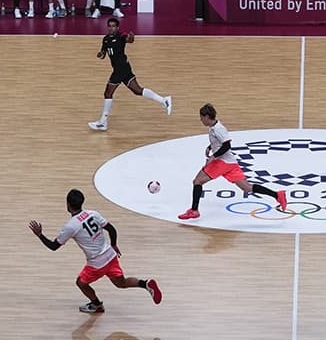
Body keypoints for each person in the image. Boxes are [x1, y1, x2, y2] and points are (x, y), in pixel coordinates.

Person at [29, 188, 162, 314]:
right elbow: (112, 229)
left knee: (81, 283)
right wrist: (114, 245)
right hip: (110, 255)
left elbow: (53, 246)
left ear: (68, 205)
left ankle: (97, 305)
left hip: (96, 263)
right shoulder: (93, 213)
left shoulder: (70, 226)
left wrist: (40, 235)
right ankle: (146, 284)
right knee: (121, 283)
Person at [179, 104, 286, 220]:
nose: (200, 120)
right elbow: (220, 142)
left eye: (201, 117)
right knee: (247, 187)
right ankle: (277, 195)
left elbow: (227, 145)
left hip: (222, 162)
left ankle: (194, 211)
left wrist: (213, 156)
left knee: (197, 181)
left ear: (207, 117)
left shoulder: (218, 129)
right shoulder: (214, 127)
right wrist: (210, 147)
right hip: (230, 163)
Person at [88, 17, 172, 131]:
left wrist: (131, 37)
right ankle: (164, 100)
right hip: (124, 68)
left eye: (113, 26)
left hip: (120, 69)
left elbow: (129, 39)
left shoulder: (121, 36)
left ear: (117, 28)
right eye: (109, 26)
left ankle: (103, 122)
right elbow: (103, 53)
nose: (111, 28)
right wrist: (100, 54)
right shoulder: (105, 39)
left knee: (108, 93)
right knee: (137, 90)